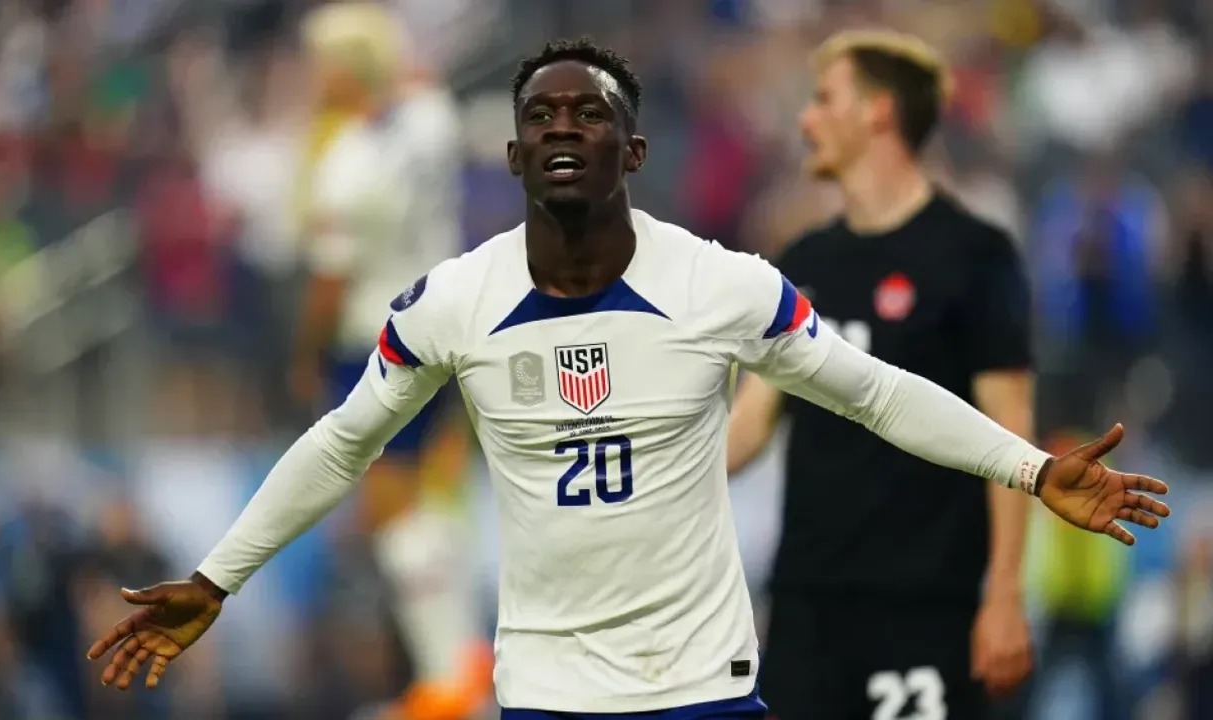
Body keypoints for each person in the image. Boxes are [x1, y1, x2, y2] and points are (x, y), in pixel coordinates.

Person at [86, 38, 1171, 720]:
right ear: (513, 158)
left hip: (702, 688)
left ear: (635, 151)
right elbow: (339, 443)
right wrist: (216, 579)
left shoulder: (721, 286)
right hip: (546, 694)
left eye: (591, 113)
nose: (563, 126)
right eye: (540, 118)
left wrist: (1032, 471)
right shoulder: (450, 304)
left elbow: (875, 392)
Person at [724, 30, 1042, 717]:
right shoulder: (804, 262)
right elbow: (748, 425)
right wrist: (639, 471)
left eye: (824, 99)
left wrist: (1005, 594)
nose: (806, 119)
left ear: (878, 111)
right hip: (809, 607)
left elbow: (1011, 432)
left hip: (926, 606)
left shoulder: (976, 256)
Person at [288, 4, 488, 719]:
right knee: (430, 506)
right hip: (441, 325)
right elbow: (419, 84)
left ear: (346, 69)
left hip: (374, 340)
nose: (312, 77)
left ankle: (450, 676)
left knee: (392, 510)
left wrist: (305, 352)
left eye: (321, 63)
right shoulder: (430, 118)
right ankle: (456, 664)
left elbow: (330, 278)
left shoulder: (349, 162)